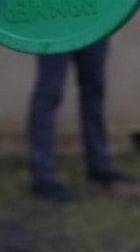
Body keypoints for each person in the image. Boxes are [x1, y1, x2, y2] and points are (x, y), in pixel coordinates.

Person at [25, 39, 127, 201]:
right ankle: (42, 176)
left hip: (93, 23)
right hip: (55, 27)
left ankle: (99, 165)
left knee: (94, 88)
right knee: (49, 92)